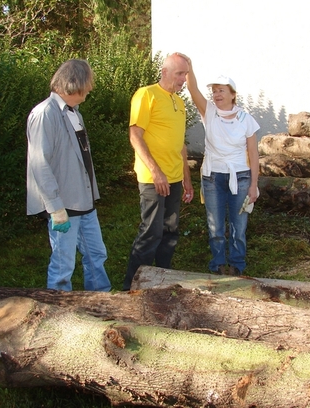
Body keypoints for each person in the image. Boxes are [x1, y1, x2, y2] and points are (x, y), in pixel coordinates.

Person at [26, 59, 111, 292]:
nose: (91, 89)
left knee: (96, 254)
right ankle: (59, 312)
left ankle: (101, 302)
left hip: (84, 201)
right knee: (64, 264)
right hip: (63, 204)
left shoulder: (75, 114)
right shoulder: (44, 114)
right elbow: (39, 162)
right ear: (76, 83)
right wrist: (55, 207)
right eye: (88, 83)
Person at [122, 53, 194, 290]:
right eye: (179, 74)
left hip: (174, 179)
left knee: (170, 234)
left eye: (185, 74)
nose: (183, 79)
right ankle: (132, 288)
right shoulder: (147, 94)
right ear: (164, 72)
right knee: (151, 234)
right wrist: (155, 171)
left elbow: (180, 145)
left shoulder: (180, 103)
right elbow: (135, 135)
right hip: (154, 179)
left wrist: (187, 179)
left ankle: (162, 285)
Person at [183, 55, 260, 276]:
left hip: (241, 177)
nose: (216, 94)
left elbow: (253, 155)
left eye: (221, 90)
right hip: (212, 177)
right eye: (214, 91)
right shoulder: (209, 111)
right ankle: (217, 266)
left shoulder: (246, 120)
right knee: (215, 227)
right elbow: (193, 89)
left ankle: (237, 266)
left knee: (239, 228)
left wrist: (253, 185)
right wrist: (189, 67)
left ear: (233, 95)